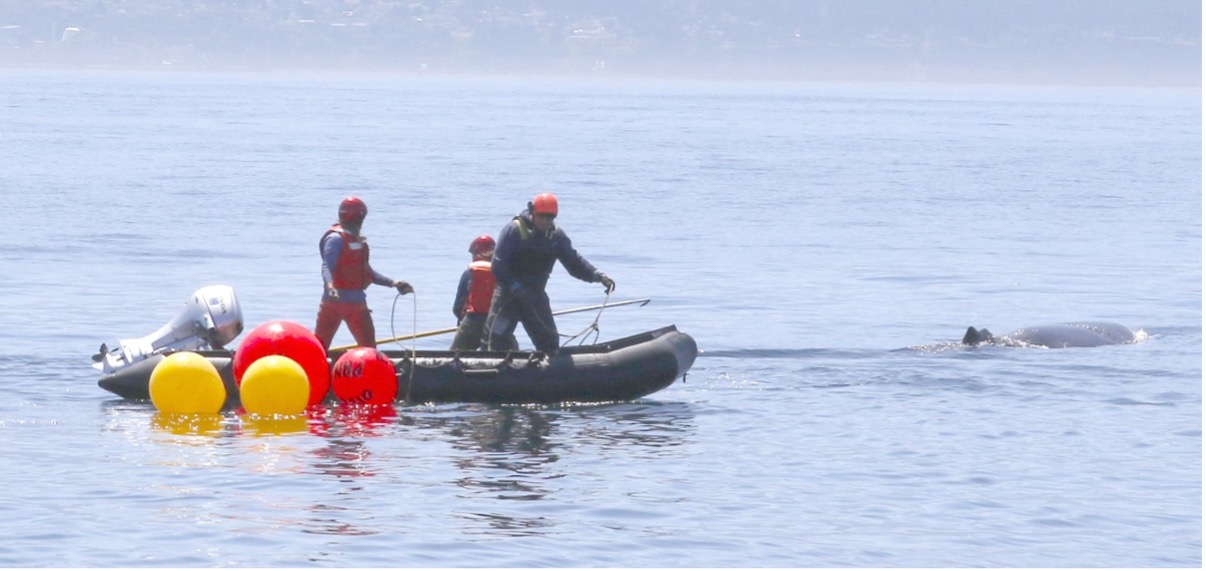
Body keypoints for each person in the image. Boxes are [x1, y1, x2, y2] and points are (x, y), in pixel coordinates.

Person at [482, 192, 616, 353]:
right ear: (533, 212)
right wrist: (516, 288)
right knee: (494, 339)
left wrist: (598, 276)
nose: (545, 221)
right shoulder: (514, 231)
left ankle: (548, 373)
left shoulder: (555, 236)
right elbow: (499, 266)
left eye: (550, 217)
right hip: (508, 296)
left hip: (535, 297)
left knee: (549, 341)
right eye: (542, 216)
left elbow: (573, 262)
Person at [314, 196, 414, 350]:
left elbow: (367, 272)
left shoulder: (356, 241)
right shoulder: (335, 239)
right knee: (320, 347)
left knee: (369, 347)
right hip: (333, 304)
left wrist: (394, 283)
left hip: (356, 305)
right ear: (359, 219)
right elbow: (327, 266)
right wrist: (330, 287)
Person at [449, 234, 496, 351]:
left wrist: (462, 324)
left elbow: (457, 308)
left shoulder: (469, 273)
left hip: (472, 322)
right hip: (496, 323)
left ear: (476, 254)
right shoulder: (502, 272)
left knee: (454, 355)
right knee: (511, 354)